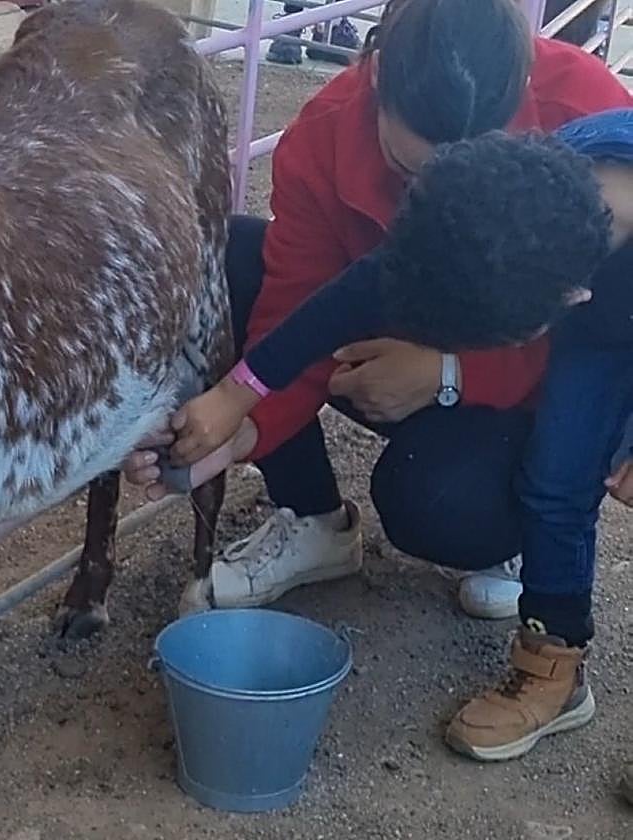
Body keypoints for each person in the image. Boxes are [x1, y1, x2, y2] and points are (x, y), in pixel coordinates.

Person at [129, 112, 633, 771]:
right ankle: (553, 662)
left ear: (564, 300)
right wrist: (235, 396)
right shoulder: (509, 196)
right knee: (557, 473)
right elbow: (354, 292)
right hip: (601, 317)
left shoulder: (549, 229)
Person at [129, 0, 633, 622]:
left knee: (476, 494)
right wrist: (241, 419)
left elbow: (590, 348)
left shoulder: (589, 135)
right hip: (409, 323)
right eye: (406, 170)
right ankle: (314, 521)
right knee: (235, 256)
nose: (421, 199)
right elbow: (319, 301)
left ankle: (528, 577)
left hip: (540, 371)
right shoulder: (341, 141)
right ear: (375, 70)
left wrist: (451, 373)